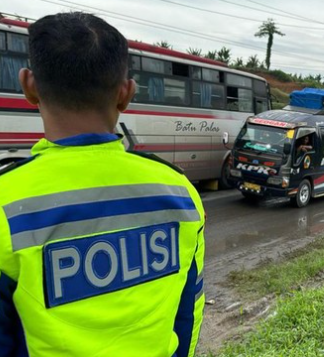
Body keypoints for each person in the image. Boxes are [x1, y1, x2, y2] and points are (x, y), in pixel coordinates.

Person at [0, 13, 205, 357]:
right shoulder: (180, 192)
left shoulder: (8, 198)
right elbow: (188, 316)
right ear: (126, 93)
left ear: (29, 86)